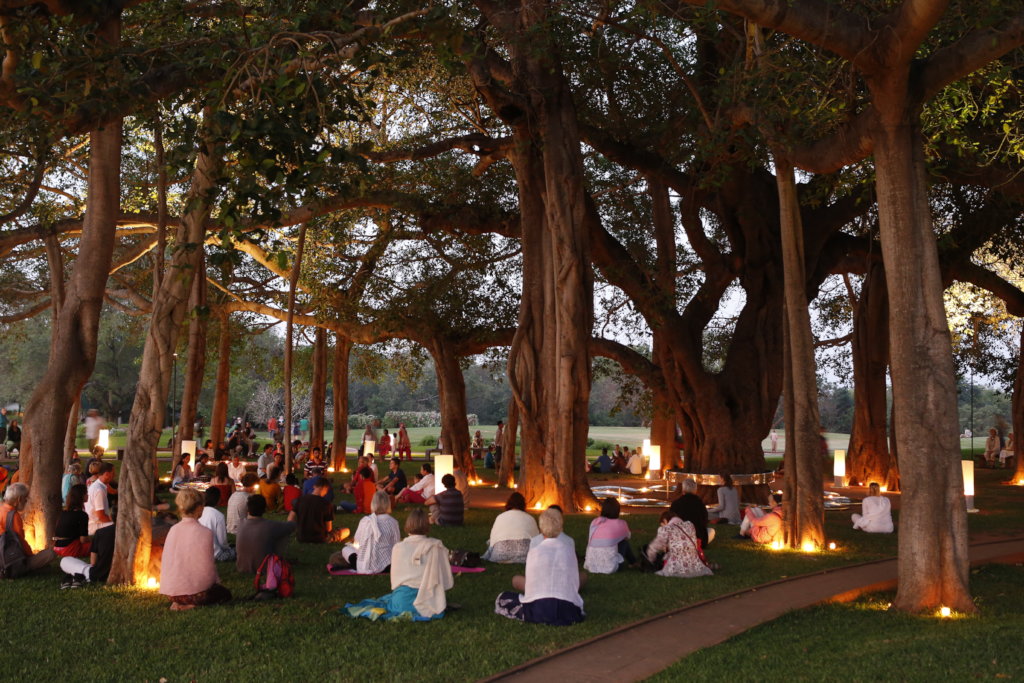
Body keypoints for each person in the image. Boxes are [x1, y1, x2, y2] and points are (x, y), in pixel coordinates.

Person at [345, 508, 453, 621]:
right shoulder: (437, 547)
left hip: (402, 602)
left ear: (408, 525)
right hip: (430, 602)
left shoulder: (398, 548)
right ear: (427, 526)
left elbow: (395, 581)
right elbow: (446, 580)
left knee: (394, 597)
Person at [495, 507, 585, 626]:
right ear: (561, 526)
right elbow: (573, 579)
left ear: (541, 528)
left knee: (504, 597)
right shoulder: (568, 549)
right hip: (568, 610)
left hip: (539, 609)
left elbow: (531, 582)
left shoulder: (535, 551)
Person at [159, 488, 232, 610]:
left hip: (172, 594)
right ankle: (190, 605)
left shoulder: (173, 529)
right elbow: (207, 567)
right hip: (196, 594)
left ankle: (179, 602)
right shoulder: (205, 532)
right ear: (199, 508)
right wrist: (215, 581)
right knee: (224, 594)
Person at [333, 490, 401, 574]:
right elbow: (396, 545)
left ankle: (358, 563)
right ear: (388, 504)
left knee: (346, 549)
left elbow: (358, 543)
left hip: (364, 567)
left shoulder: (365, 521)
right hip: (386, 566)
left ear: (373, 503)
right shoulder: (393, 522)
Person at [0, 483, 57, 576]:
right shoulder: (13, 516)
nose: (26, 502)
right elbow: (21, 543)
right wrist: (32, 556)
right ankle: (26, 570)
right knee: (50, 554)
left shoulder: (1, 508)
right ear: (19, 499)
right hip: (12, 563)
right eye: (25, 499)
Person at [235, 494, 296, 574]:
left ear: (248, 510)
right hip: (264, 569)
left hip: (242, 567)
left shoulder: (240, 524)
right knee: (283, 533)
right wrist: (293, 513)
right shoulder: (270, 526)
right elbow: (292, 526)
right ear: (264, 510)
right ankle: (278, 560)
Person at [644, 510, 713, 578]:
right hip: (695, 566)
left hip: (676, 567)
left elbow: (654, 547)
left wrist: (650, 559)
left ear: (665, 520)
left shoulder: (666, 529)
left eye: (663, 524)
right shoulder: (690, 525)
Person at [289, 477, 349, 543]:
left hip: (301, 537)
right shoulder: (326, 504)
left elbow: (290, 518)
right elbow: (329, 529)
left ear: (314, 486)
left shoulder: (300, 500)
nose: (326, 493)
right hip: (320, 538)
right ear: (325, 488)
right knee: (347, 531)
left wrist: (298, 529)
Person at [482, 492, 539, 563]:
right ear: (523, 504)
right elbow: (537, 540)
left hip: (500, 554)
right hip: (525, 555)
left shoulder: (500, 517)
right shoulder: (530, 518)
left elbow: (493, 539)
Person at [583, 498, 634, 573]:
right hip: (610, 567)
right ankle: (633, 562)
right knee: (624, 542)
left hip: (591, 565)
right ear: (618, 510)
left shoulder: (595, 522)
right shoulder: (621, 523)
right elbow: (628, 536)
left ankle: (633, 562)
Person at [670, 478, 713, 547]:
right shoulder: (700, 504)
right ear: (695, 490)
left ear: (683, 489)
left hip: (679, 538)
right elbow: (704, 521)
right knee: (711, 531)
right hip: (697, 539)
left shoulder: (676, 503)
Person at [198, 486, 235, 562]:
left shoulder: (199, 512)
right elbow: (223, 542)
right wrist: (228, 549)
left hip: (199, 551)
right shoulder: (218, 515)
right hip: (214, 554)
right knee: (238, 551)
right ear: (218, 499)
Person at [54, 484, 91, 558]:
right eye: (86, 493)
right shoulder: (82, 515)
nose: (88, 495)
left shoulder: (63, 512)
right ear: (81, 496)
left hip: (56, 548)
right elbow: (83, 540)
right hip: (69, 549)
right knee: (99, 543)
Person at [85, 462, 116, 535]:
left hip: (96, 522)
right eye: (113, 473)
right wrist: (113, 522)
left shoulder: (99, 485)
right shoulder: (99, 490)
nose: (115, 476)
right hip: (96, 526)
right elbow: (100, 516)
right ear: (107, 474)